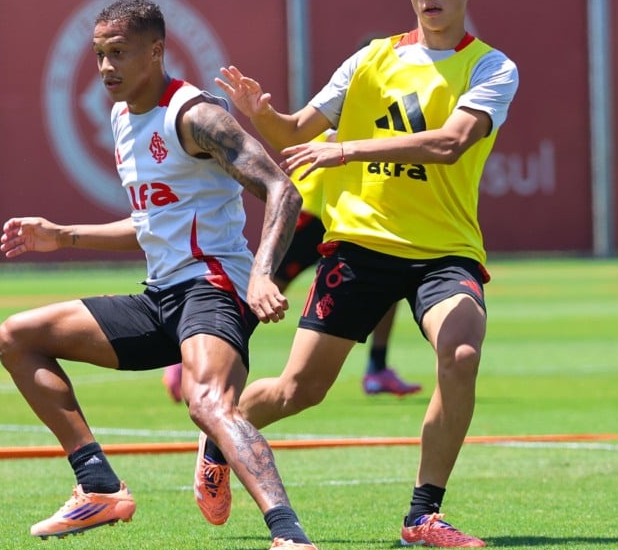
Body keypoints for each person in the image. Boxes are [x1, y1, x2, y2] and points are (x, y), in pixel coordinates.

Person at [195, 0, 519, 548]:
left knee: (462, 354)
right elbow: (293, 129)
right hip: (360, 249)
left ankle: (423, 515)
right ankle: (220, 432)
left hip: (444, 252)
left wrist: (347, 148)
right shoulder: (369, 59)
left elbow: (449, 143)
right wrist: (258, 113)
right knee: (298, 392)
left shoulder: (491, 67)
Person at [0, 0, 330, 550]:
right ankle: (98, 488)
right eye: (99, 55)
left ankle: (292, 539)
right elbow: (152, 223)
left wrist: (261, 275)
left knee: (206, 403)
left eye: (118, 53)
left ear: (156, 51)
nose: (105, 68)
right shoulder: (123, 117)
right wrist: (63, 235)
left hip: (215, 287)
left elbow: (283, 190)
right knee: (16, 337)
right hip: (160, 296)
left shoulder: (195, 115)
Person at [161, 131, 422, 402]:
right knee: (261, 290)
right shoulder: (352, 100)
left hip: (351, 214)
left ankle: (377, 368)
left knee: (388, 282)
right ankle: (189, 351)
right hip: (311, 208)